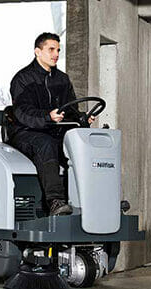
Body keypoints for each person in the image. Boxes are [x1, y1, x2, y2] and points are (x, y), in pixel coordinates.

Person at [7, 32, 95, 216]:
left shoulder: (62, 79)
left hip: (54, 129)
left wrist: (82, 119)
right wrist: (48, 117)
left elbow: (71, 110)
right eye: (51, 49)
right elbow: (23, 112)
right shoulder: (23, 79)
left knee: (82, 144)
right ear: (37, 52)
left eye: (58, 50)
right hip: (26, 131)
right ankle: (55, 201)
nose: (56, 54)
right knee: (46, 144)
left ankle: (96, 198)